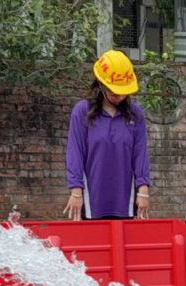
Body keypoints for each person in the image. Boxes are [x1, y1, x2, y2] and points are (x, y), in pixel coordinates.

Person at [64, 50, 151, 221]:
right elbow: (75, 153)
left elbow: (140, 154)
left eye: (124, 93)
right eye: (114, 93)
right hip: (91, 198)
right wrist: (76, 191)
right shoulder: (82, 111)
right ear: (101, 86)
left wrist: (143, 190)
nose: (120, 97)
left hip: (125, 199)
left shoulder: (135, 114)